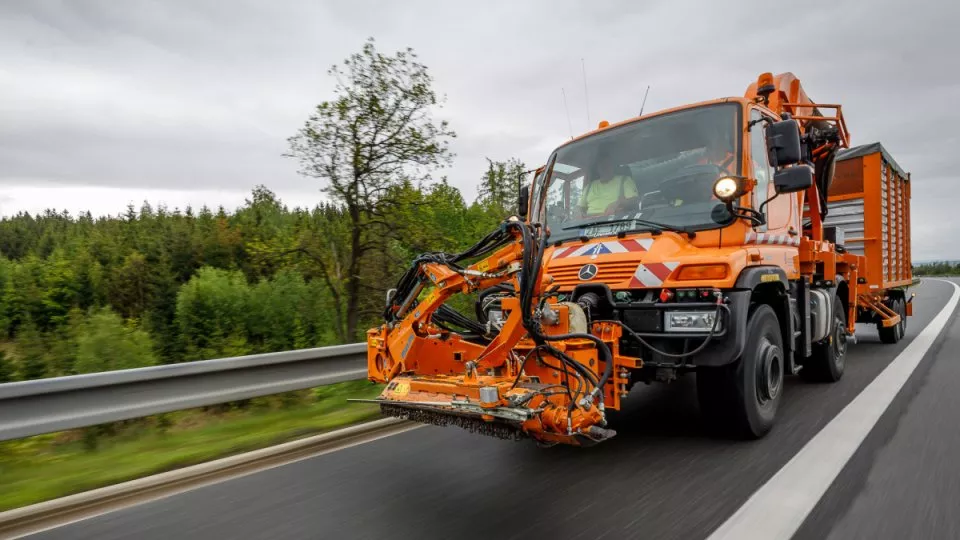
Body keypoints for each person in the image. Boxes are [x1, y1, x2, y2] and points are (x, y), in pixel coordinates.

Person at [578, 150, 638, 216]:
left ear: (613, 166)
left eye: (607, 164)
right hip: (589, 223)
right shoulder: (589, 187)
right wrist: (578, 214)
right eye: (602, 165)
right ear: (597, 168)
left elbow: (634, 201)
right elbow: (579, 207)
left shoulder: (624, 180)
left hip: (616, 221)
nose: (605, 167)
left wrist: (618, 203)